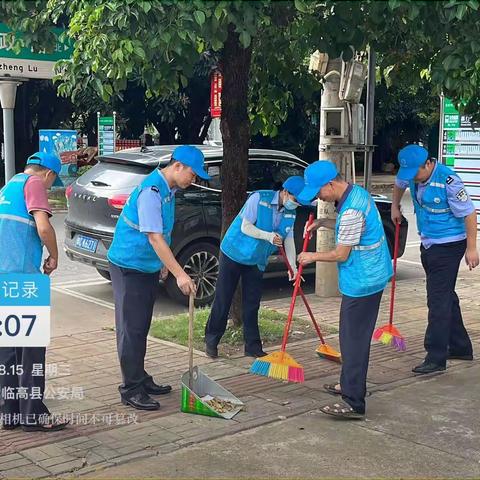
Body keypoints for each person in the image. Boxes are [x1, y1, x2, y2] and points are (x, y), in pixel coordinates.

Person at [107, 145, 207, 411]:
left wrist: (162, 264)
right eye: (192, 174)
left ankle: (140, 378)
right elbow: (154, 236)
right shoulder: (152, 192)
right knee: (131, 330)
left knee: (140, 326)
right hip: (130, 266)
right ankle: (130, 388)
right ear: (178, 166)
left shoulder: (168, 190)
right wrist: (179, 274)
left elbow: (161, 234)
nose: (193, 180)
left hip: (146, 266)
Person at [297, 161, 392, 419]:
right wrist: (324, 222)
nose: (318, 197)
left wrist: (310, 256)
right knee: (352, 337)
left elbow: (341, 253)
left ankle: (353, 401)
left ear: (331, 184)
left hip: (364, 281)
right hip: (368, 276)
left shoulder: (351, 210)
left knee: (354, 341)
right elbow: (349, 228)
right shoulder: (356, 193)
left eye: (319, 192)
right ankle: (348, 385)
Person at [392, 144, 479, 374]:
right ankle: (461, 347)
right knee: (445, 296)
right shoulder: (412, 174)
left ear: (429, 163)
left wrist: (472, 248)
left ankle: (435, 357)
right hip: (428, 242)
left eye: (416, 173)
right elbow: (399, 184)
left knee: (437, 300)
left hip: (450, 245)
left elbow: (470, 213)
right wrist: (394, 206)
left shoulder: (449, 181)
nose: (413, 179)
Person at [0, 152, 68, 432]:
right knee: (31, 353)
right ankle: (33, 416)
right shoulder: (35, 184)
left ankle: (10, 414)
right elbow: (43, 227)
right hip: (24, 280)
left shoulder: (9, 185)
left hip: (3, 278)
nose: (49, 188)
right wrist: (53, 255)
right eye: (52, 183)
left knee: (8, 352)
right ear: (48, 174)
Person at [204, 176, 305, 359]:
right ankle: (211, 340)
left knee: (252, 304)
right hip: (234, 252)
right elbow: (246, 227)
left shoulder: (291, 213)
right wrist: (267, 236)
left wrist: (293, 268)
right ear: (285, 192)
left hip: (257, 259)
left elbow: (288, 239)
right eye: (295, 200)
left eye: (299, 202)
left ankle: (252, 346)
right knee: (223, 298)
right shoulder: (259, 198)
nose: (296, 204)